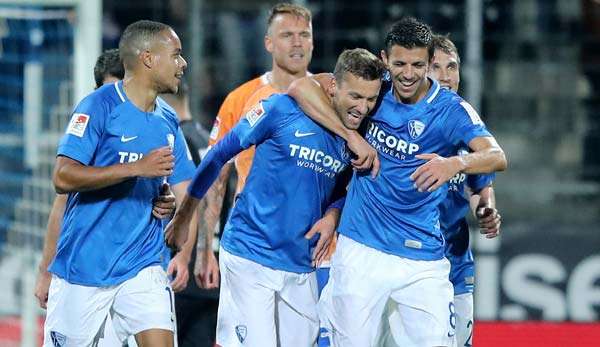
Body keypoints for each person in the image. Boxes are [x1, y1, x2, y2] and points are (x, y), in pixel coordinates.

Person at [287, 17, 507, 347]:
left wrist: (454, 164)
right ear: (384, 59)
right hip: (362, 250)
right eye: (400, 63)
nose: (408, 73)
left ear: (429, 62)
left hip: (422, 258)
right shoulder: (375, 88)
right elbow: (301, 87)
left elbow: (496, 155)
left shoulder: (451, 111)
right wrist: (351, 137)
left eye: (418, 64)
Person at [166, 48, 386, 347]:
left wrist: (333, 215)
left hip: (300, 262)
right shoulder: (279, 109)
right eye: (356, 97)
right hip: (250, 253)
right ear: (333, 86)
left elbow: (344, 187)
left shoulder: (361, 138)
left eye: (371, 99)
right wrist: (184, 214)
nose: (363, 107)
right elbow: (218, 156)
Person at [42, 20, 197, 347]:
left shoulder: (168, 119)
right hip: (85, 267)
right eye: (176, 55)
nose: (183, 64)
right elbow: (62, 176)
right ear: (148, 58)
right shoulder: (98, 106)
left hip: (143, 263)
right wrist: (136, 169)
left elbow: (175, 186)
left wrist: (165, 200)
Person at [196, 3, 315, 294]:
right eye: (287, 34)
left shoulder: (332, 96)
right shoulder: (240, 99)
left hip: (315, 251)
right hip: (252, 247)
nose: (298, 42)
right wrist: (205, 248)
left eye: (304, 34)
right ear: (268, 43)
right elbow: (217, 176)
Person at [160, 84, 218, 347]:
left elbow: (195, 202)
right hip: (212, 274)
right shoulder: (209, 140)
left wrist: (187, 256)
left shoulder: (176, 142)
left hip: (181, 274)